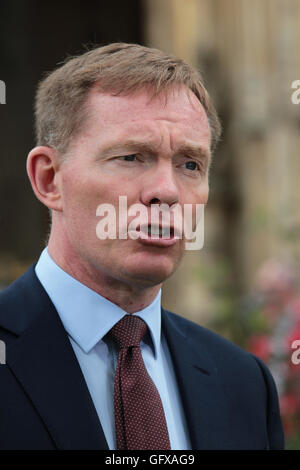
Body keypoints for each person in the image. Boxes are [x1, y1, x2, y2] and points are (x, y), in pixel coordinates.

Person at [0, 43, 284, 450]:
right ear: (49, 179)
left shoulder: (243, 383)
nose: (166, 191)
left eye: (190, 164)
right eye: (132, 157)